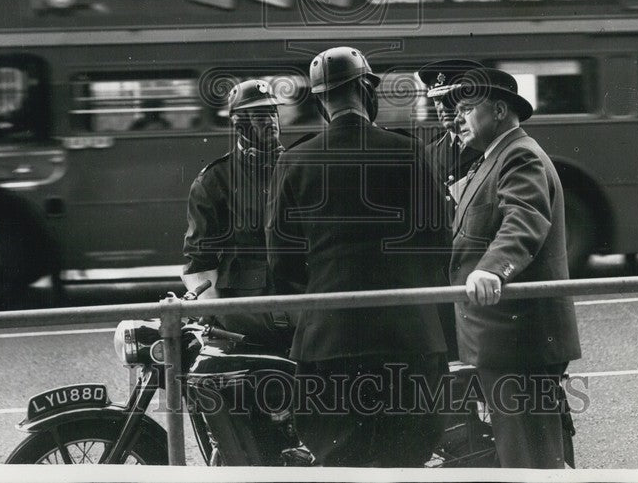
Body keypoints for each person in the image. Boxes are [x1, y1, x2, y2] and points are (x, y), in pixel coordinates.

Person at [266, 46, 450, 467]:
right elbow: (438, 242)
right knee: (404, 464)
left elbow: (283, 262)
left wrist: (319, 309)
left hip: (329, 345)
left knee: (341, 466)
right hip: (409, 341)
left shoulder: (293, 161)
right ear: (368, 89)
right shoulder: (407, 151)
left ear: (320, 100)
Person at [446, 68, 582, 468]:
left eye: (467, 109)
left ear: (500, 110)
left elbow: (523, 219)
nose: (457, 119)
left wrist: (491, 269)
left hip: (518, 340)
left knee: (529, 460)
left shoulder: (519, 155)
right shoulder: (493, 158)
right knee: (521, 452)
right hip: (505, 338)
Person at [182, 79, 291, 348]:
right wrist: (214, 315)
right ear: (239, 124)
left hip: (298, 301)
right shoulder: (214, 180)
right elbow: (200, 261)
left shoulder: (297, 168)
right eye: (260, 115)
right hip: (244, 314)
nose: (271, 121)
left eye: (273, 113)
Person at [416, 59, 484, 360]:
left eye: (449, 99)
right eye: (436, 100)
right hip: (444, 278)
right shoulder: (429, 153)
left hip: (480, 275)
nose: (442, 107)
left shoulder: (490, 150)